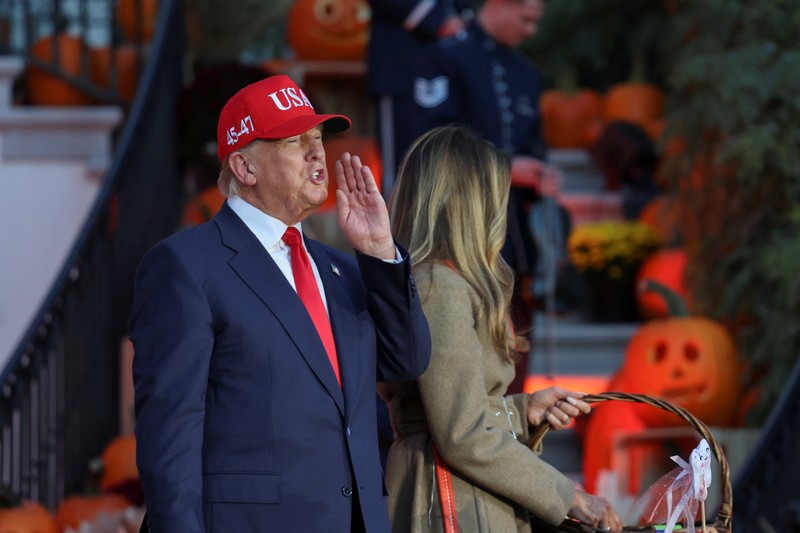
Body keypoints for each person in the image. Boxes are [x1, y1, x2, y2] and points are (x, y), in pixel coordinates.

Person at [129, 74, 432, 532]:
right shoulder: (185, 265)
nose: (317, 153)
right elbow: (169, 435)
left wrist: (380, 253)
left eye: (317, 138)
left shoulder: (344, 268)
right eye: (294, 142)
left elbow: (407, 362)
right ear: (245, 168)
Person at [381, 125, 622, 532]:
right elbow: (462, 433)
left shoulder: (441, 282)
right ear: (473, 204)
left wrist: (520, 411)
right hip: (454, 499)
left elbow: (450, 412)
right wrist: (570, 496)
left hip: (460, 489)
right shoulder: (439, 288)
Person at [410, 0, 575, 391]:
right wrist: (505, 167)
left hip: (516, 230)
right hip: (456, 227)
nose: (532, 30)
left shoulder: (527, 73)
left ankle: (514, 426)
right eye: (527, 18)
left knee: (517, 330)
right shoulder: (444, 58)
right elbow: (428, 145)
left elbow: (534, 144)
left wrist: (541, 171)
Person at [366, 0, 474, 193]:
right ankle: (393, 221)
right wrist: (437, 20)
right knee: (402, 165)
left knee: (443, 158)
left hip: (450, 71)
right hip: (402, 68)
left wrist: (464, 19)